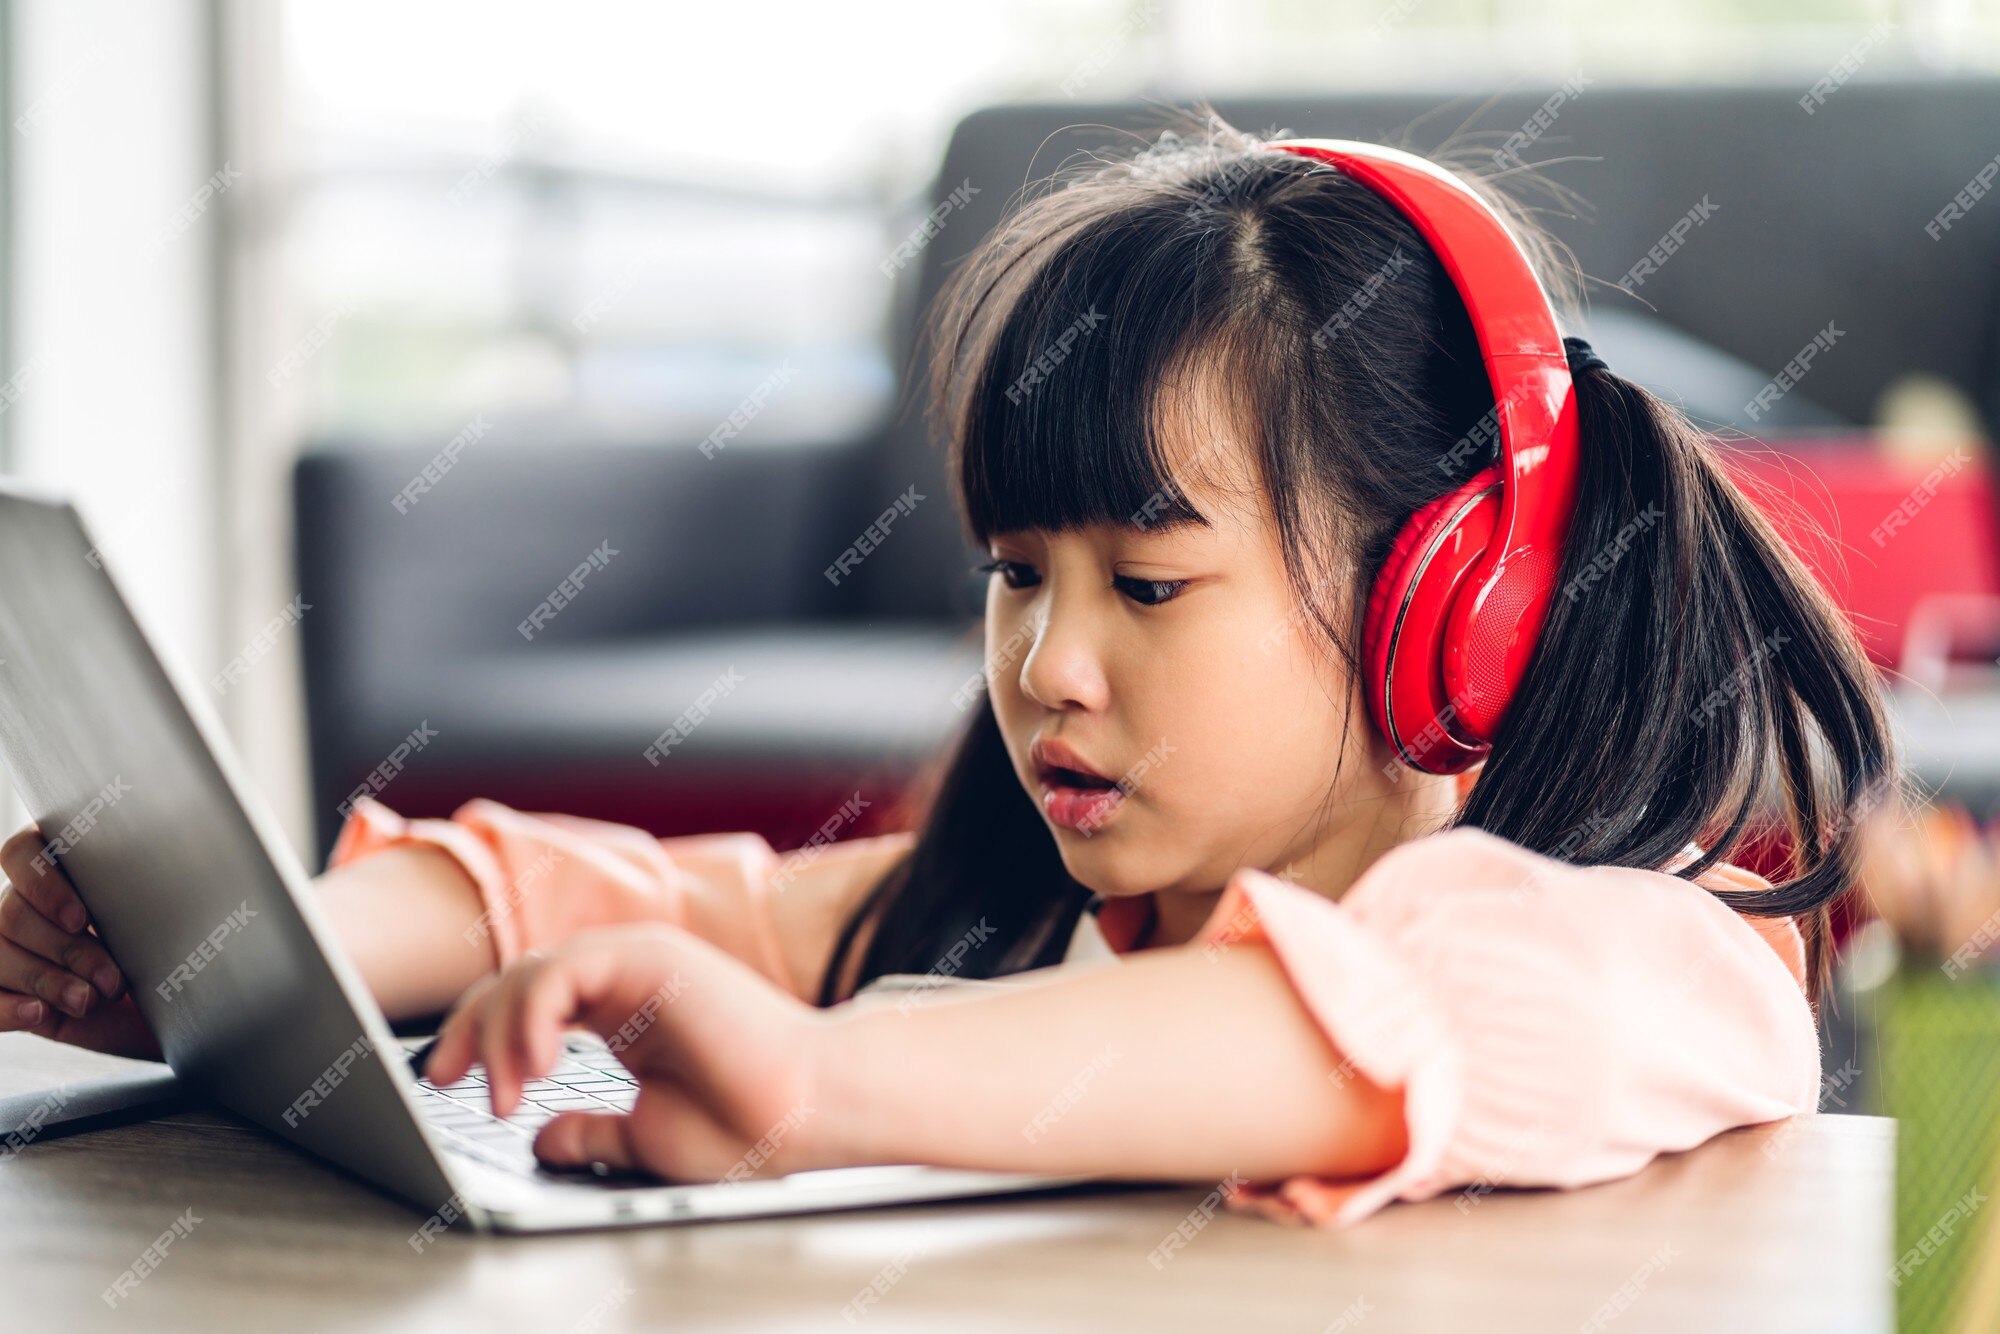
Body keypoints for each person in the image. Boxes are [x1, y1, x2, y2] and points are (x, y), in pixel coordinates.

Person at [0, 111, 1897, 1228]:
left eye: (1149, 587)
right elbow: (656, 902)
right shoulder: (1073, 917)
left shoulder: (1667, 956)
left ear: (1451, 597)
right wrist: (245, 963)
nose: (1048, 662)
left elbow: (1404, 1017)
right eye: (1012, 575)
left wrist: (819, 1085)